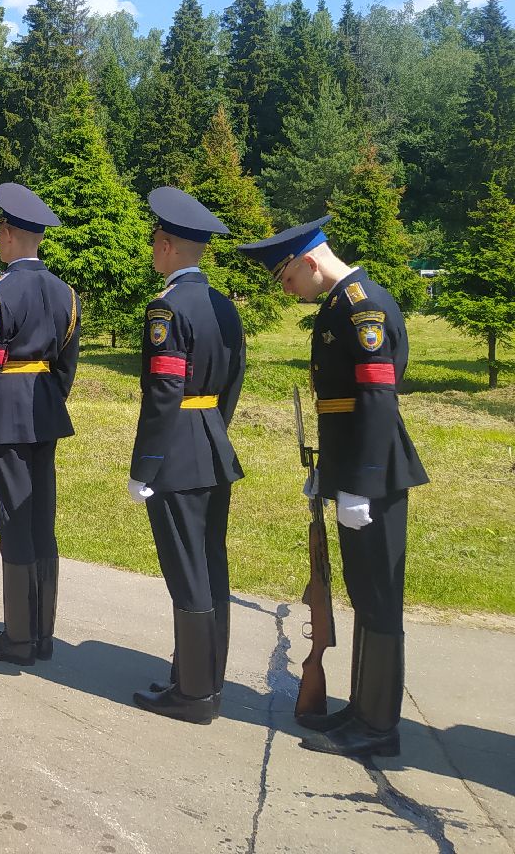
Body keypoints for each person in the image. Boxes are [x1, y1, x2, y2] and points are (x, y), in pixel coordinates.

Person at [239, 216, 427, 757]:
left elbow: (375, 401)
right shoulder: (339, 305)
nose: (286, 288)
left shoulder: (361, 307)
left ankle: (379, 726)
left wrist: (361, 485)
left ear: (310, 262)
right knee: (365, 593)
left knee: (379, 597)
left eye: (287, 277)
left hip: (375, 473)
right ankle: (365, 708)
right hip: (353, 470)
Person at [127, 188, 245, 724]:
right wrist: (214, 430)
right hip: (212, 444)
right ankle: (203, 679)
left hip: (176, 450)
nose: (153, 249)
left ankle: (193, 694)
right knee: (210, 565)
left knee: (186, 571)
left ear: (170, 245)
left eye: (156, 240)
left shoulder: (167, 307)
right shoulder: (222, 305)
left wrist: (144, 465)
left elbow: (163, 394)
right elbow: (234, 380)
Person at [0, 184, 79, 666]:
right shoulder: (64, 292)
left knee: (14, 525)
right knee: (41, 522)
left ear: (8, 234)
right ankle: (41, 632)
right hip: (45, 413)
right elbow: (67, 364)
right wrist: (48, 400)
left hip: (5, 418)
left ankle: (19, 637)